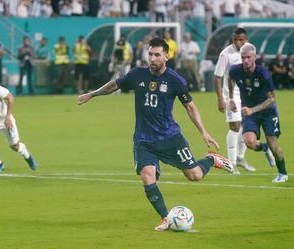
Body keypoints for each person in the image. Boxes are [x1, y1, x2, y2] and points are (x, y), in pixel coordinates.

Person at [77, 37, 234, 231]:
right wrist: (92, 94)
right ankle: (165, 218)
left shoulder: (175, 80)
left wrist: (204, 131)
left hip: (170, 138)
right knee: (147, 176)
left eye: (157, 55)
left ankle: (211, 160)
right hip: (143, 140)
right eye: (150, 54)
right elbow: (114, 85)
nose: (152, 58)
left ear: (167, 56)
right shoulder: (137, 75)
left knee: (194, 175)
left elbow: (190, 108)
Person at [227, 43, 288, 183]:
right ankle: (264, 148)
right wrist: (231, 99)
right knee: (249, 142)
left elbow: (272, 98)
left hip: (268, 113)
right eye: (243, 58)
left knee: (274, 144)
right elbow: (230, 80)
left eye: (248, 57)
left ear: (254, 57)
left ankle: (282, 173)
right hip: (250, 114)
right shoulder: (235, 71)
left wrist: (252, 110)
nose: (246, 61)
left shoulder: (263, 73)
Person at [213, 27, 256, 175]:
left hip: (247, 95)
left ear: (246, 39)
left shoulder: (249, 51)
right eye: (235, 40)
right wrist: (220, 99)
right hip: (231, 97)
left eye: (241, 40)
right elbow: (217, 77)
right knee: (235, 127)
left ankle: (240, 158)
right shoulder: (226, 54)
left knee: (247, 126)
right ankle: (231, 164)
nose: (238, 42)